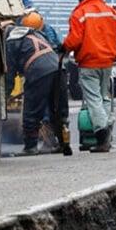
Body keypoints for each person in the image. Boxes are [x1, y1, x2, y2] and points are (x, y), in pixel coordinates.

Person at [62, 0, 116, 153]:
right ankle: (107, 133)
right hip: (107, 63)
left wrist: (63, 47)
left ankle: (102, 136)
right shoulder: (112, 13)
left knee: (94, 99)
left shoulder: (79, 13)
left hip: (89, 64)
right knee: (104, 97)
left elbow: (74, 40)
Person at [6, 14, 68, 155]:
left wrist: (5, 95)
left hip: (39, 72)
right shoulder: (38, 35)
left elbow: (10, 73)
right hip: (59, 69)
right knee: (58, 109)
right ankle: (63, 143)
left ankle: (30, 147)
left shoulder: (11, 41)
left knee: (31, 110)